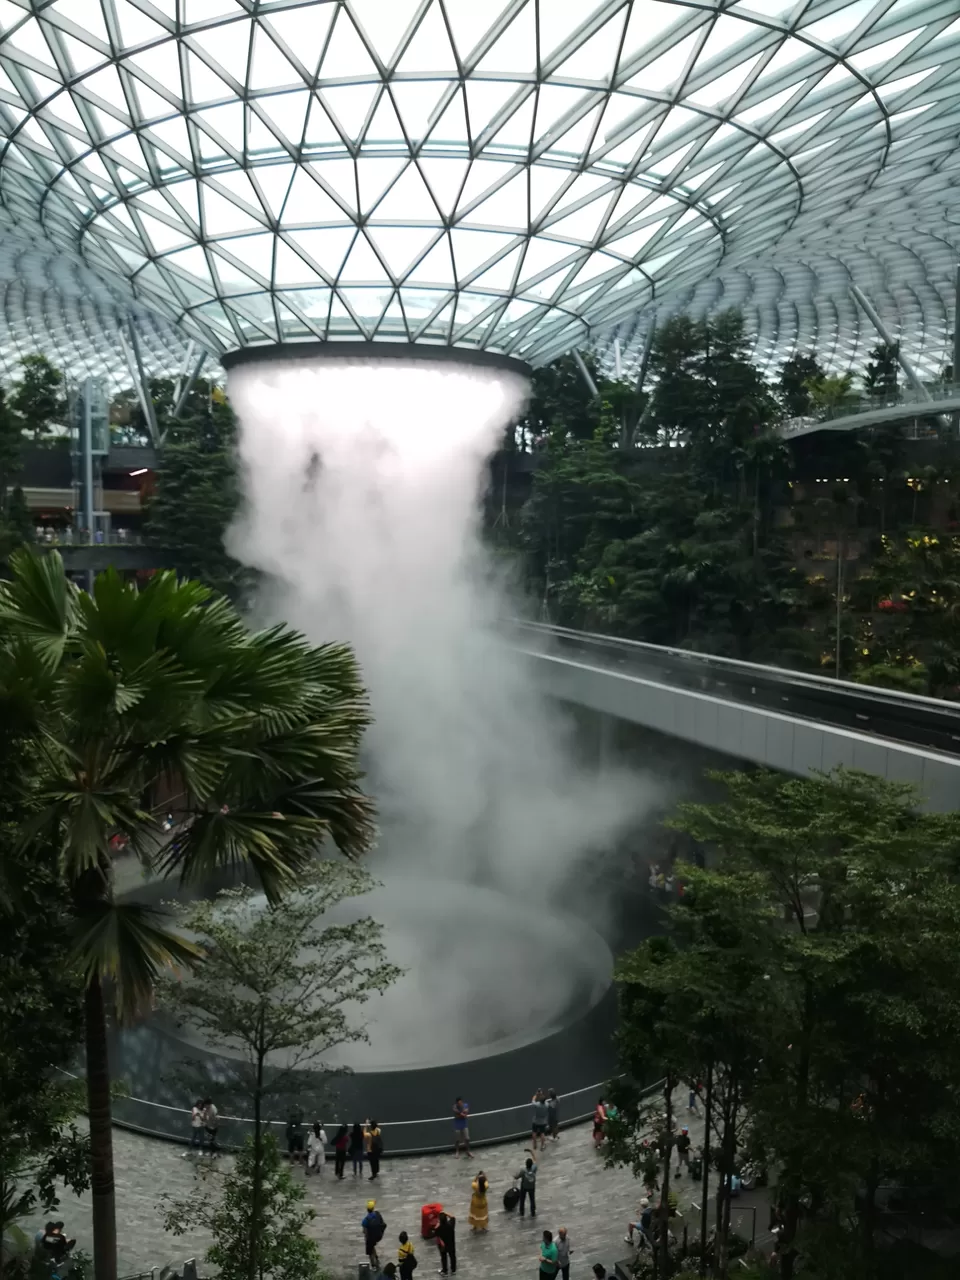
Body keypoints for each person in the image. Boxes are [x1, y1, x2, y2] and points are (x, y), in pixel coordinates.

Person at [362, 1199, 386, 1270]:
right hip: (378, 1235)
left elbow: (365, 1232)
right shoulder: (377, 1214)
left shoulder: (365, 1220)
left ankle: (374, 1265)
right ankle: (376, 1258)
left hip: (371, 1238)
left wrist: (366, 1240)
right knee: (372, 1246)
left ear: (367, 1209)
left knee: (369, 1249)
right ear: (373, 1208)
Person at [514, 1150, 538, 1218]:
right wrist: (531, 1151)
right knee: (532, 1199)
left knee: (522, 1199)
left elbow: (517, 1177)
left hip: (524, 1187)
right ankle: (533, 1212)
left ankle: (522, 1212)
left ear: (526, 1164)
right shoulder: (534, 1168)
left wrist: (514, 1176)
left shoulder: (523, 1171)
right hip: (532, 1187)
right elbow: (535, 1159)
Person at [436, 1211, 457, 1276]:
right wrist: (446, 1213)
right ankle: (453, 1270)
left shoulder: (439, 1228)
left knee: (444, 1258)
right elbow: (453, 1217)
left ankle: (445, 1271)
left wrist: (438, 1223)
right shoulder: (450, 1225)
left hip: (443, 1246)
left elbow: (435, 1232)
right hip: (451, 1244)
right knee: (452, 1257)